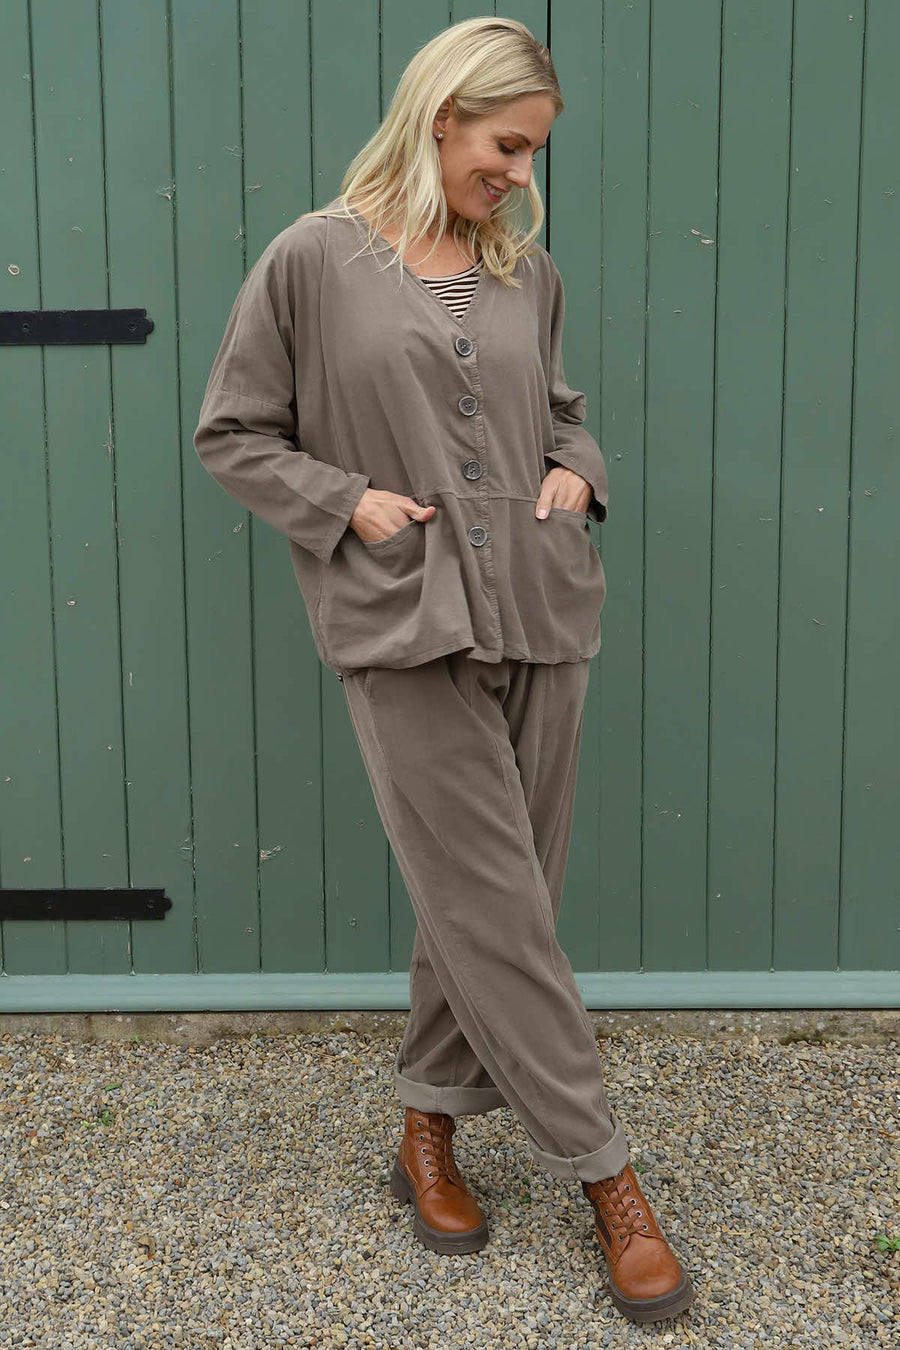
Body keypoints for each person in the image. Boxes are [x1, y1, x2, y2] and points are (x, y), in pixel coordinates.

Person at [193, 15, 694, 1326]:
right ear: (441, 118)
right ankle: (609, 1176)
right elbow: (233, 432)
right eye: (506, 146)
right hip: (404, 618)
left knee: (497, 899)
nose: (520, 175)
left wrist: (580, 473)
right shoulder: (314, 260)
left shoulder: (526, 272)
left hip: (543, 608)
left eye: (532, 155)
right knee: (496, 906)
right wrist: (346, 501)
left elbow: (564, 414)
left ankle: (426, 1126)